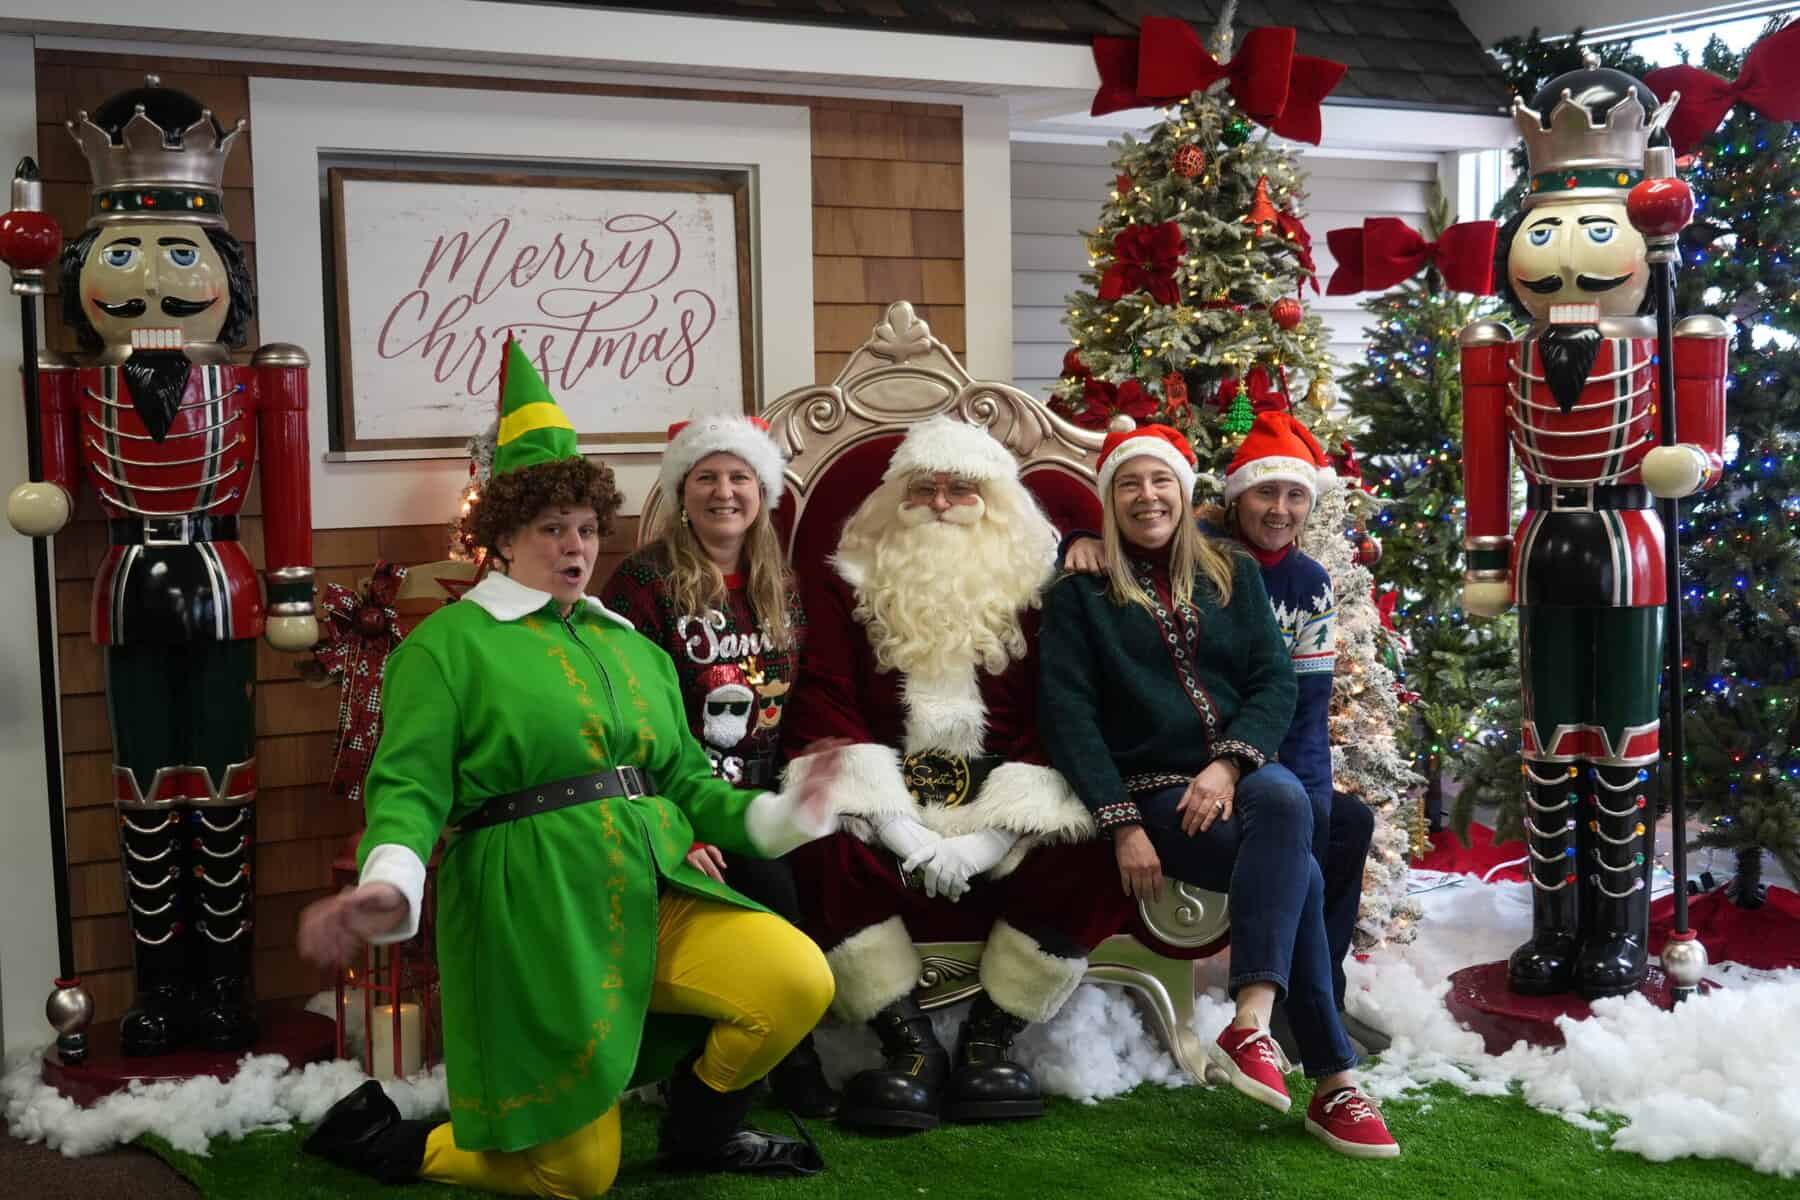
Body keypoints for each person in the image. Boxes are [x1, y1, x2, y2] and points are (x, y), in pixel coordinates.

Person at [297, 342, 843, 1197]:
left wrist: (784, 813)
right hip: (533, 906)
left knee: (796, 978)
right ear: (504, 536)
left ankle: (701, 1129)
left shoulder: (632, 649)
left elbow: (688, 783)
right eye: (552, 527)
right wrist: (391, 882)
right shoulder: (446, 647)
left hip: (649, 884)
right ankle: (395, 1144)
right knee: (575, 1178)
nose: (575, 545)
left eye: (586, 528)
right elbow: (408, 788)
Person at [5, 77, 314, 1056]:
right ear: (81, 271)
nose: (149, 278)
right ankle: (159, 985)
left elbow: (289, 488)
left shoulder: (262, 374)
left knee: (223, 782)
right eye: (122, 253)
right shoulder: (70, 376)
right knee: (143, 787)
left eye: (181, 253)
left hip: (223, 584)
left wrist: (294, 589)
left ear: (224, 271)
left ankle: (224, 984)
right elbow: (56, 482)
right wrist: (46, 493)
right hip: (128, 588)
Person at [1039, 425, 1398, 1158]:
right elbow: (1068, 718)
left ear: (1184, 492)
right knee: (1300, 868)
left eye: (1161, 481)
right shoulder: (1081, 595)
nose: (1148, 496)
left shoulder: (1230, 571)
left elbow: (1274, 682)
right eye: (1130, 483)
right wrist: (1122, 825)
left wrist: (1229, 765)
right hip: (1153, 792)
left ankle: (1252, 1020)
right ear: (1110, 499)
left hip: (1235, 775)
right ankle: (1333, 1082)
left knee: (1287, 800)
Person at [781, 416, 1131, 1132]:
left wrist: (988, 841)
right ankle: (907, 1043)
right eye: (924, 488)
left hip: (1006, 806)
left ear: (994, 501)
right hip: (886, 811)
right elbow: (825, 698)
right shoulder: (848, 581)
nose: (940, 503)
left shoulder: (1043, 588)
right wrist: (899, 829)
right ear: (896, 497)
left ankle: (989, 1039)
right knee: (811, 842)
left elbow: (1065, 709)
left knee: (1099, 849)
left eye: (961, 489)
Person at [1463, 65, 1725, 998]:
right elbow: (1485, 463)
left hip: (1629, 552)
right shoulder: (1500, 350)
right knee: (1548, 741)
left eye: (1596, 229)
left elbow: (1707, 451)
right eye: (1545, 232)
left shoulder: (1676, 336)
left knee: (1622, 740)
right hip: (1543, 546)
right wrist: (1486, 556)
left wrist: (1688, 466)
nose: (1567, 257)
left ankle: (1617, 930)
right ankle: (1554, 925)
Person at [1061, 410, 1375, 1012]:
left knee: (1343, 825)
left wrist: (1299, 801)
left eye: (1295, 496)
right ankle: (1298, 1008)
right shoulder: (1194, 546)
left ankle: (1318, 996)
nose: (1279, 510)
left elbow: (1303, 709)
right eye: (1264, 493)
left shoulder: (1308, 581)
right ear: (1235, 497)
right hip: (1185, 761)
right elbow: (1134, 525)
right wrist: (1079, 540)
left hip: (1263, 756)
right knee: (1298, 844)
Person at [600, 414, 837, 1117]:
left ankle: (783, 1043)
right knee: (768, 888)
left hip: (763, 793)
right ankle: (780, 1061)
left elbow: (793, 698)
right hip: (684, 798)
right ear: (682, 491)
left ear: (762, 492)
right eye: (705, 477)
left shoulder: (778, 581)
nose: (723, 492)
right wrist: (682, 826)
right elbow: (627, 717)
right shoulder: (643, 582)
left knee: (822, 865)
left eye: (739, 477)